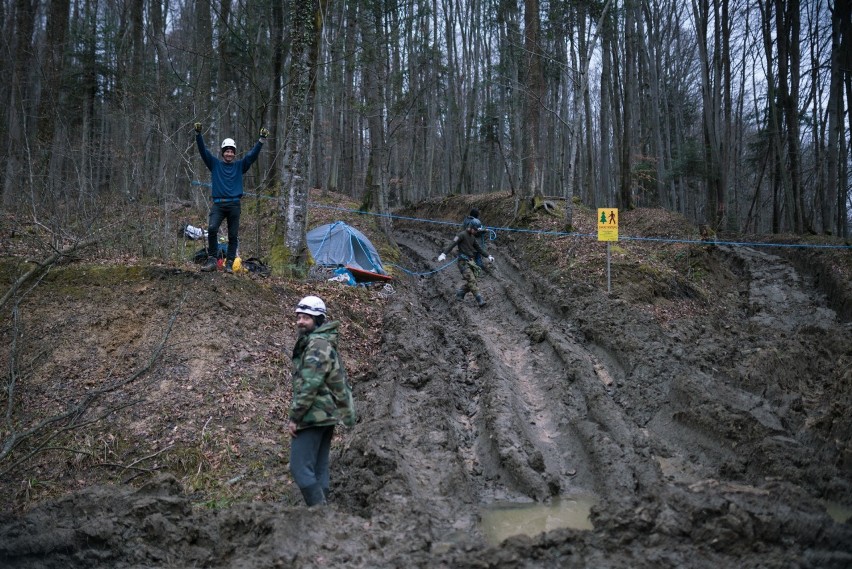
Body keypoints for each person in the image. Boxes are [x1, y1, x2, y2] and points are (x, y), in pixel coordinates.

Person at [288, 295, 356, 507]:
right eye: (299, 316)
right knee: (319, 468)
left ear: (318, 320)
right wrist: (346, 413)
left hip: (313, 415)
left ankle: (320, 511)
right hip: (326, 416)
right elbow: (339, 381)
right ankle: (323, 513)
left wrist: (295, 417)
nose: (300, 321)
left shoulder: (317, 345)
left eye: (306, 317)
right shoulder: (324, 343)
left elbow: (310, 384)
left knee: (299, 468)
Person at [194, 122, 268, 273]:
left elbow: (251, 156)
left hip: (234, 205)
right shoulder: (214, 164)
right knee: (212, 228)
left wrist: (261, 140)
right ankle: (212, 260)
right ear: (222, 153)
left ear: (234, 153)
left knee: (233, 236)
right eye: (226, 151)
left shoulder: (239, 166)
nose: (229, 153)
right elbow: (203, 151)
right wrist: (198, 135)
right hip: (219, 204)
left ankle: (229, 264)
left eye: (231, 151)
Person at [437, 218, 494, 307]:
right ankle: (479, 300)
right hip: (463, 262)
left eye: (476, 230)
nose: (475, 232)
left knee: (474, 279)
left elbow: (479, 248)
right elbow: (452, 244)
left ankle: (461, 292)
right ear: (470, 227)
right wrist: (443, 254)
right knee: (471, 280)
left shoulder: (472, 237)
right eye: (475, 230)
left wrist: (488, 256)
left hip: (471, 261)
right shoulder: (461, 235)